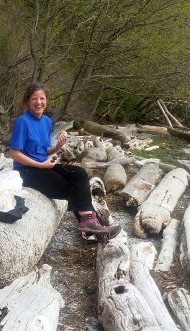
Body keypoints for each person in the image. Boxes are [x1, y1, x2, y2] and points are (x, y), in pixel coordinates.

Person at [8, 83, 121, 240]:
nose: (39, 102)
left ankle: (92, 225)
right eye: (35, 98)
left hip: (44, 166)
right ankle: (95, 226)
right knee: (67, 186)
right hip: (26, 171)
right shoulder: (22, 121)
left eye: (42, 98)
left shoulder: (46, 121)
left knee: (79, 173)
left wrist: (57, 147)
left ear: (46, 100)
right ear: (28, 101)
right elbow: (14, 153)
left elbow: (45, 149)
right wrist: (41, 165)